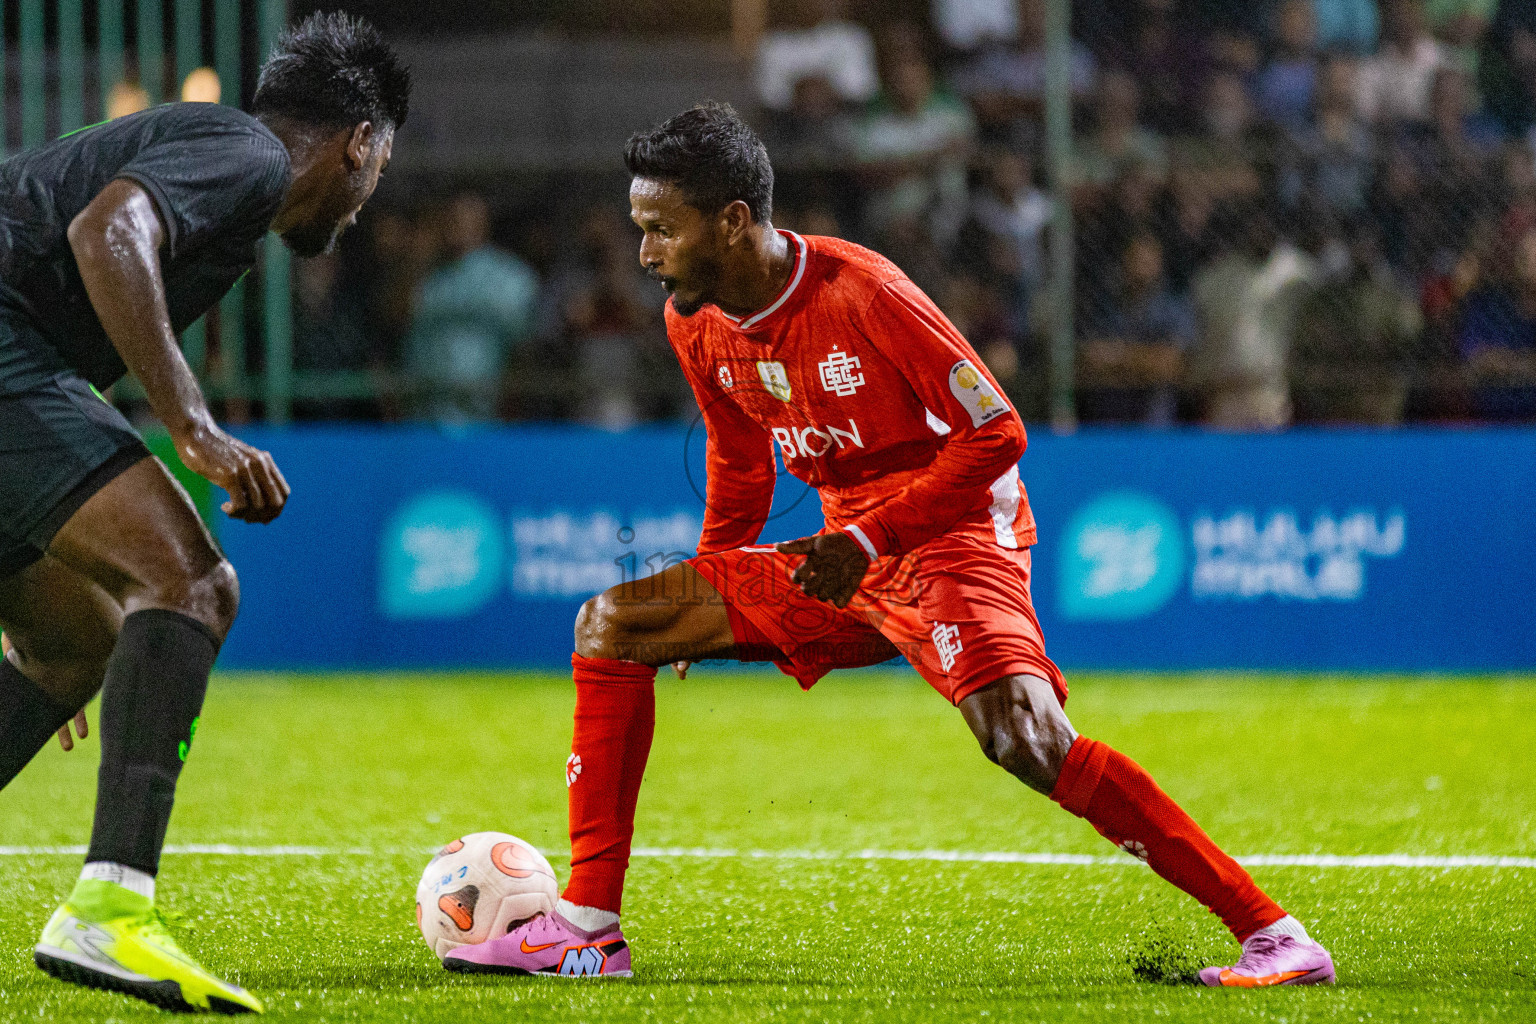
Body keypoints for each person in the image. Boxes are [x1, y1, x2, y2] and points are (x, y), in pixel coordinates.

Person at [444, 103, 1337, 988]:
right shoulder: (696, 317)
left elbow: (998, 432)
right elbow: (739, 456)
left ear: (732, 221)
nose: (644, 254)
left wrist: (872, 536)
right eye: (641, 230)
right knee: (613, 622)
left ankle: (1274, 935)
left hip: (952, 537)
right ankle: (591, 930)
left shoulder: (863, 292)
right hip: (848, 555)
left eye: (661, 230)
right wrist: (706, 579)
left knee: (1024, 739)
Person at [0, 13, 408, 1013]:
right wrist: (194, 429)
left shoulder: (219, 172)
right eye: (381, 167)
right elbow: (111, 232)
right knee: (187, 579)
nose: (365, 201)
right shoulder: (248, 153)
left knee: (71, 642)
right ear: (364, 142)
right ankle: (111, 910)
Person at [405, 192, 539, 423]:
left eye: (462, 218)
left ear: (482, 222)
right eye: (449, 219)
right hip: (426, 418)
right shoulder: (429, 277)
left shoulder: (511, 276)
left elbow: (526, 350)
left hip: (487, 420)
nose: (453, 226)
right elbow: (400, 320)